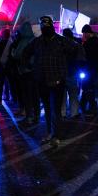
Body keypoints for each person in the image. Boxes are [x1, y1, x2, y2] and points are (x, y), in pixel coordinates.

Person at [23, 16, 77, 147]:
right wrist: (31, 67)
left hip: (57, 81)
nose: (45, 28)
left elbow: (75, 50)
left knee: (56, 110)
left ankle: (56, 135)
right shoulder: (38, 42)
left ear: (51, 26)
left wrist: (66, 68)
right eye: (43, 26)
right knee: (48, 109)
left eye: (47, 26)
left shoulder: (61, 41)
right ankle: (50, 133)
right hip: (42, 81)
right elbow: (25, 53)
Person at [11, 22, 39, 125]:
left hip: (25, 71)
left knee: (27, 95)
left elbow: (17, 55)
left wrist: (13, 52)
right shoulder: (35, 40)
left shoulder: (22, 41)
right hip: (34, 71)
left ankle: (29, 116)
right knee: (35, 95)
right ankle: (36, 115)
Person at [61, 28, 85, 119]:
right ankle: (74, 112)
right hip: (73, 72)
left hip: (62, 73)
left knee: (62, 94)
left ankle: (62, 113)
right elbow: (81, 59)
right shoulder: (76, 45)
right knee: (73, 94)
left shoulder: (60, 44)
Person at [80, 24, 98, 115]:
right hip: (95, 69)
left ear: (87, 33)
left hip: (88, 69)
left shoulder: (88, 44)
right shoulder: (97, 42)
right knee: (89, 88)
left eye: (84, 33)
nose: (83, 35)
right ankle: (84, 104)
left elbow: (85, 57)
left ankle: (92, 107)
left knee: (87, 87)